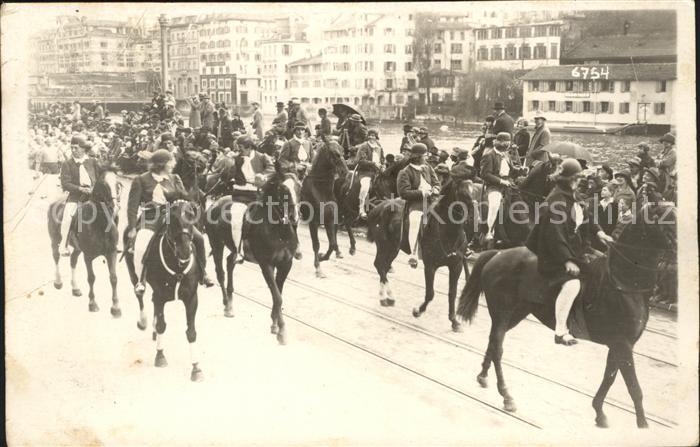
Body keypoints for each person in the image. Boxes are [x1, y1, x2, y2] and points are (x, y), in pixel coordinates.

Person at [526, 158, 614, 346]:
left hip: (576, 248)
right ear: (566, 178)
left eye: (580, 177)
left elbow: (587, 217)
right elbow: (554, 235)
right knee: (572, 284)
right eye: (576, 177)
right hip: (553, 254)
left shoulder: (574, 195)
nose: (579, 180)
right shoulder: (556, 200)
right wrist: (567, 261)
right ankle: (560, 330)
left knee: (604, 265)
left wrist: (600, 232)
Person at [126, 149, 213, 295]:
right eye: (170, 161)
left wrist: (194, 187)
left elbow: (184, 196)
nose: (173, 164)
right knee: (141, 244)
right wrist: (132, 227)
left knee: (198, 238)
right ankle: (141, 280)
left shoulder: (174, 178)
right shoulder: (141, 180)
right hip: (151, 217)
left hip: (174, 217)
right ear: (161, 164)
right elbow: (132, 206)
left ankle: (203, 273)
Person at [229, 135, 275, 260]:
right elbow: (228, 174)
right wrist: (230, 163)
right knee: (236, 220)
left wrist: (263, 176)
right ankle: (238, 251)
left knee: (282, 212)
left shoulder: (262, 157)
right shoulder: (237, 159)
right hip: (241, 194)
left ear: (249, 147)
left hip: (260, 194)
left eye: (241, 148)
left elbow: (272, 168)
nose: (239, 151)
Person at [397, 143, 440, 269]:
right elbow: (403, 193)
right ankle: (413, 253)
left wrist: (436, 188)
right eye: (425, 155)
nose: (426, 157)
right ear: (417, 157)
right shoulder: (405, 172)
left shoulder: (428, 167)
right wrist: (422, 193)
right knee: (415, 220)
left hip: (432, 200)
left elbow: (436, 182)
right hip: (416, 203)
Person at [59, 136, 99, 256]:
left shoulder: (93, 161)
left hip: (94, 195)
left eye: (76, 148)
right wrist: (80, 188)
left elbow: (100, 176)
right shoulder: (67, 164)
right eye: (71, 148)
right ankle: (63, 244)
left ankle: (111, 241)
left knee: (110, 211)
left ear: (83, 149)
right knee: (68, 217)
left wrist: (95, 189)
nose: (73, 150)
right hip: (76, 196)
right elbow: (65, 183)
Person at [480, 132, 516, 243]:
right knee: (495, 203)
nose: (507, 144)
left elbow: (511, 170)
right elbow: (485, 174)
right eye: (505, 142)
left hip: (508, 184)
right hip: (493, 186)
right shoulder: (489, 155)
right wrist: (501, 181)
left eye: (508, 142)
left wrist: (520, 170)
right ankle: (489, 231)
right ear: (498, 142)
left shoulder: (506, 154)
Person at [353, 129, 385, 219]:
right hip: (365, 172)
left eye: (374, 136)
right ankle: (361, 209)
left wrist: (383, 165)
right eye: (370, 135)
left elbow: (382, 158)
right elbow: (360, 161)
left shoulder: (379, 146)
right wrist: (373, 164)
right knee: (365, 187)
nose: (372, 137)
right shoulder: (364, 146)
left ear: (376, 137)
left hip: (377, 172)